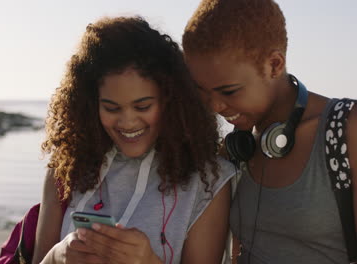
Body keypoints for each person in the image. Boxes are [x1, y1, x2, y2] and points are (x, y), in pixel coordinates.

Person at [182, 0, 357, 263]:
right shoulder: (236, 147)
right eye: (202, 90)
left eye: (229, 91)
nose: (215, 106)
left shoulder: (350, 130)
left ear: (274, 65)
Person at [32, 16, 235, 264]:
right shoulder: (66, 167)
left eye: (142, 106)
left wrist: (149, 261)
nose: (127, 122)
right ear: (90, 105)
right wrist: (57, 256)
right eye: (111, 108)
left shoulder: (209, 181)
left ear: (170, 99)